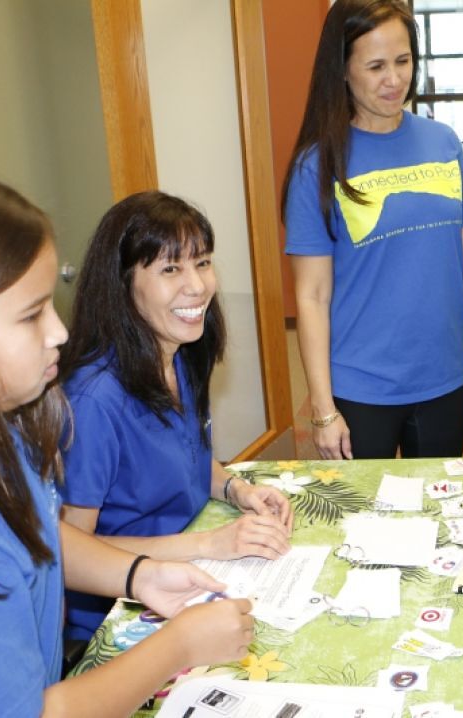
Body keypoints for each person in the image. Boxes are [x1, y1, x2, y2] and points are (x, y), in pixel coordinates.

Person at [0, 158, 254, 716]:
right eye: (31, 315)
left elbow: (46, 535)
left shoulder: (2, 428)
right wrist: (179, 645)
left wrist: (139, 575)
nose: (59, 332)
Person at [58, 191, 294, 642]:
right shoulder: (93, 401)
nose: (198, 285)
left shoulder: (180, 355)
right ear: (122, 283)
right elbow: (71, 551)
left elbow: (186, 456)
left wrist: (236, 489)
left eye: (202, 263)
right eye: (170, 269)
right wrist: (211, 543)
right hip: (121, 613)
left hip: (193, 571)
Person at [282, 0, 463, 460]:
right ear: (343, 70)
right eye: (376, 66)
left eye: (403, 61)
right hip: (360, 386)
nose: (394, 79)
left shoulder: (443, 142)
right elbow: (312, 296)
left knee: (438, 500)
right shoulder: (317, 165)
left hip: (443, 377)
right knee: (365, 508)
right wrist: (322, 408)